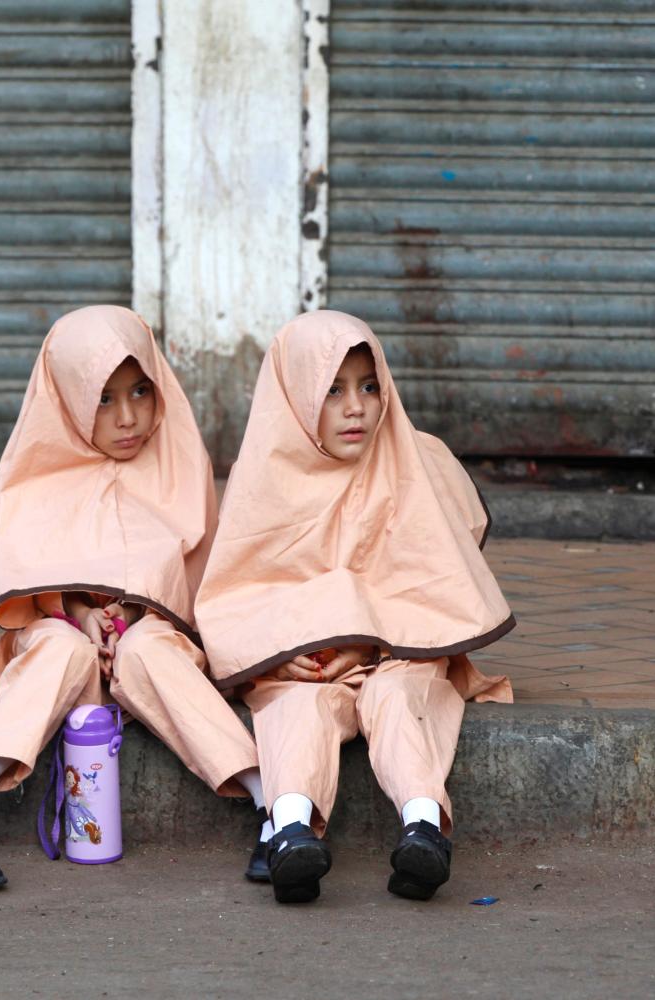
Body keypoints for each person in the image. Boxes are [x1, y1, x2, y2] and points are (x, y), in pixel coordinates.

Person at [0, 305, 270, 893]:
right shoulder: (35, 468)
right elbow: (19, 567)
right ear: (68, 397)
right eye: (103, 398)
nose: (128, 418)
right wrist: (76, 613)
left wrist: (129, 616)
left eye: (140, 392)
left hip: (154, 632)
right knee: (59, 652)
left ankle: (273, 810)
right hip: (59, 627)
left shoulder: (177, 461)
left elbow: (197, 574)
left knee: (151, 650)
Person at [195, 310, 515, 904]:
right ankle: (290, 832)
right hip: (306, 666)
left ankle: (423, 829)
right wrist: (278, 657)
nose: (357, 407)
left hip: (399, 651)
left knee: (399, 700)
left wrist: (372, 636)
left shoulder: (415, 460)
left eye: (370, 386)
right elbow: (238, 590)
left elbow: (438, 575)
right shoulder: (262, 476)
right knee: (297, 710)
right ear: (293, 396)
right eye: (333, 390)